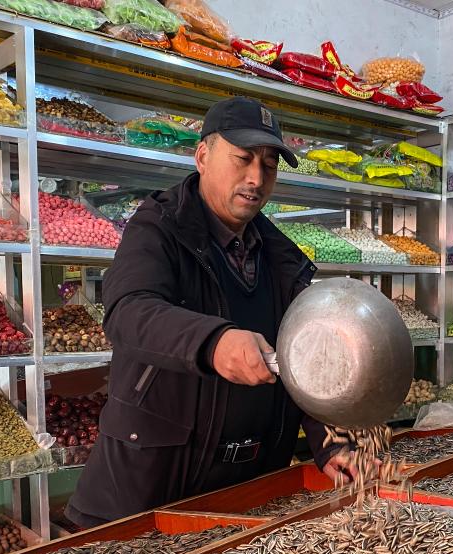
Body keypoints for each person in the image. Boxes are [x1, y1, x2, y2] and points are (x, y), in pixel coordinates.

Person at [66, 97, 355, 528]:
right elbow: (129, 311)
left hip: (250, 496)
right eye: (243, 159)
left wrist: (333, 441)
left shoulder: (281, 258)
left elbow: (305, 356)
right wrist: (213, 342)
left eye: (269, 165)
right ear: (202, 156)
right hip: (151, 492)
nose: (256, 178)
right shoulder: (157, 227)